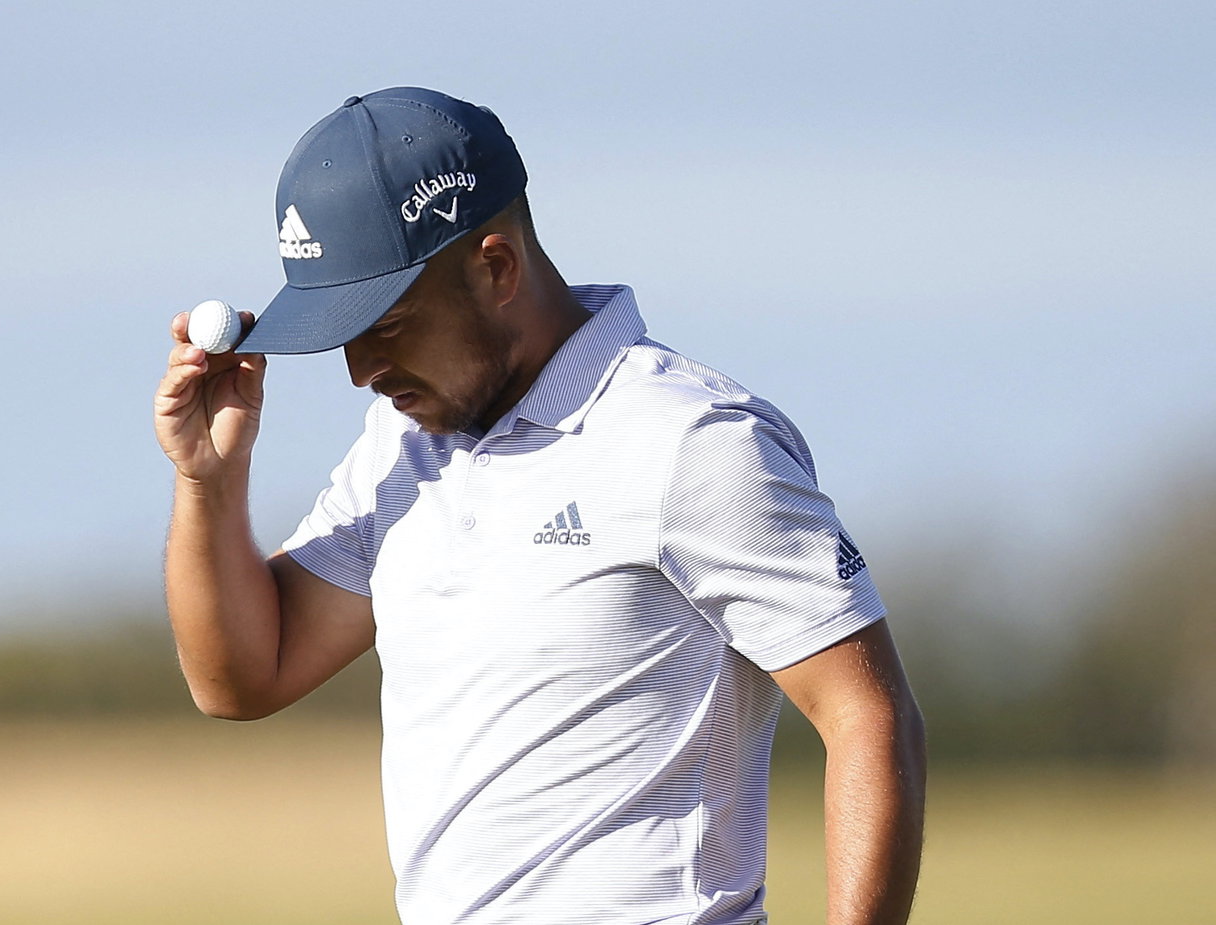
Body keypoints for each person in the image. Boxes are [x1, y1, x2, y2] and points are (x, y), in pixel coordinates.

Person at [154, 87, 926, 925]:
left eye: (389, 322)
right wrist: (209, 483)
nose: (360, 370)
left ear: (496, 267)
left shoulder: (694, 440)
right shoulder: (400, 448)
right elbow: (242, 676)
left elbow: (866, 714)